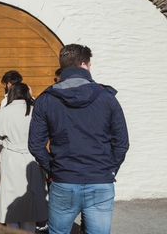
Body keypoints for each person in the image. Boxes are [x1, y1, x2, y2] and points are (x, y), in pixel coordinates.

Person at [28, 44, 129, 234]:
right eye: (90, 64)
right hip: (100, 180)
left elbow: (35, 145)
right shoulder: (107, 98)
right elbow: (121, 143)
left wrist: (53, 170)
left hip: (64, 179)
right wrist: (108, 170)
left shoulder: (45, 98)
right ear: (84, 65)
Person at [0, 83, 48, 232]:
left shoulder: (4, 112)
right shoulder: (35, 110)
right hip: (32, 157)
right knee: (31, 200)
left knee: (11, 200)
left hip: (11, 158)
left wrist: (7, 143)